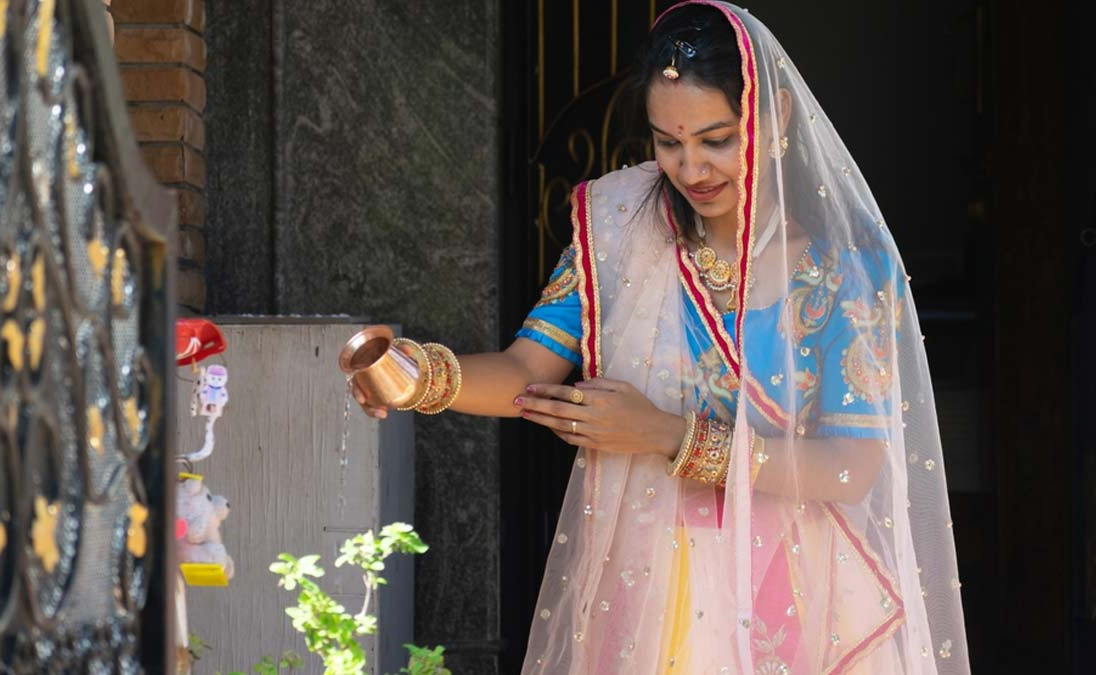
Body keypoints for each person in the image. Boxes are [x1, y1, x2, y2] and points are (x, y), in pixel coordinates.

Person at [352, 2, 969, 672]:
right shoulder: (623, 234)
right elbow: (525, 370)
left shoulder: (843, 272)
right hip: (653, 585)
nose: (692, 167)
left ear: (776, 119)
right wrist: (420, 375)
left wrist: (668, 434)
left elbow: (854, 469)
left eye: (716, 139)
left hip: (800, 595)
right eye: (668, 142)